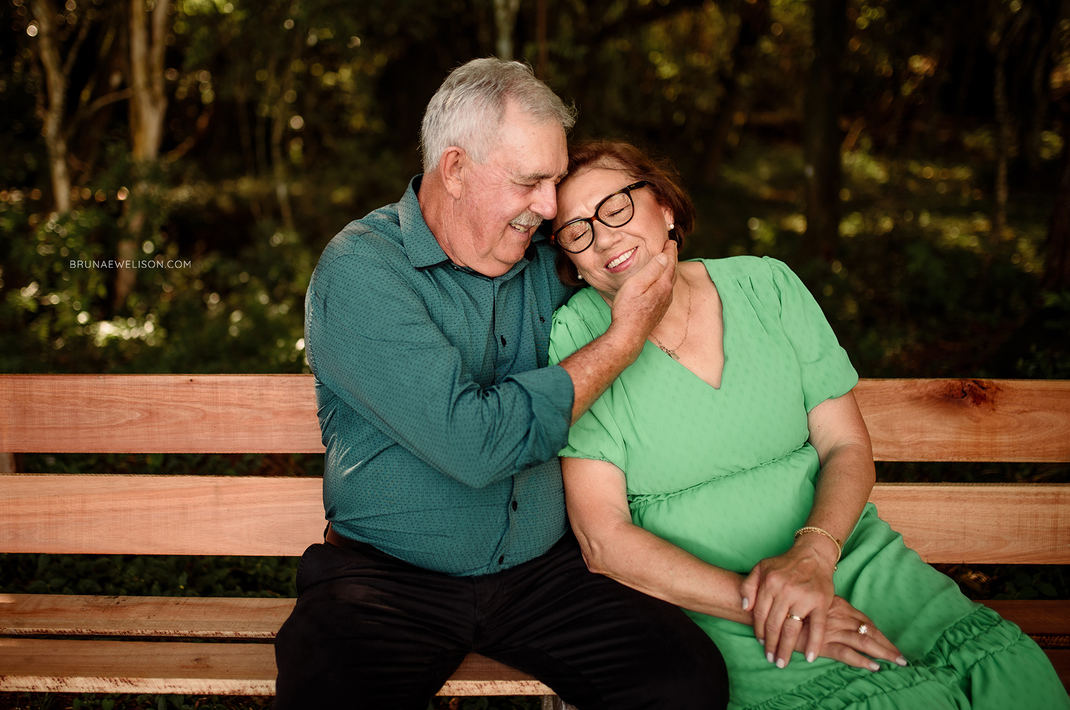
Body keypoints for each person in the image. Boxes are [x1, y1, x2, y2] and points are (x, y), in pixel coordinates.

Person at [548, 140, 1070, 709]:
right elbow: (604, 541)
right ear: (571, 260)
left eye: (616, 207)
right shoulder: (578, 340)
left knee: (1013, 680)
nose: (603, 237)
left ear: (665, 207)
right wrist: (768, 601)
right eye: (576, 230)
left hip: (846, 556)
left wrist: (813, 558)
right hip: (716, 602)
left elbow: (845, 444)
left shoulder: (767, 287)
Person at [275, 61, 729, 710]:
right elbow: (476, 444)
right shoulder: (362, 271)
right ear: (455, 169)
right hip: (384, 581)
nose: (549, 205)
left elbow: (636, 256)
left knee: (683, 678)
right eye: (531, 181)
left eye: (555, 179)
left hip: (545, 576)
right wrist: (621, 340)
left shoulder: (548, 255)